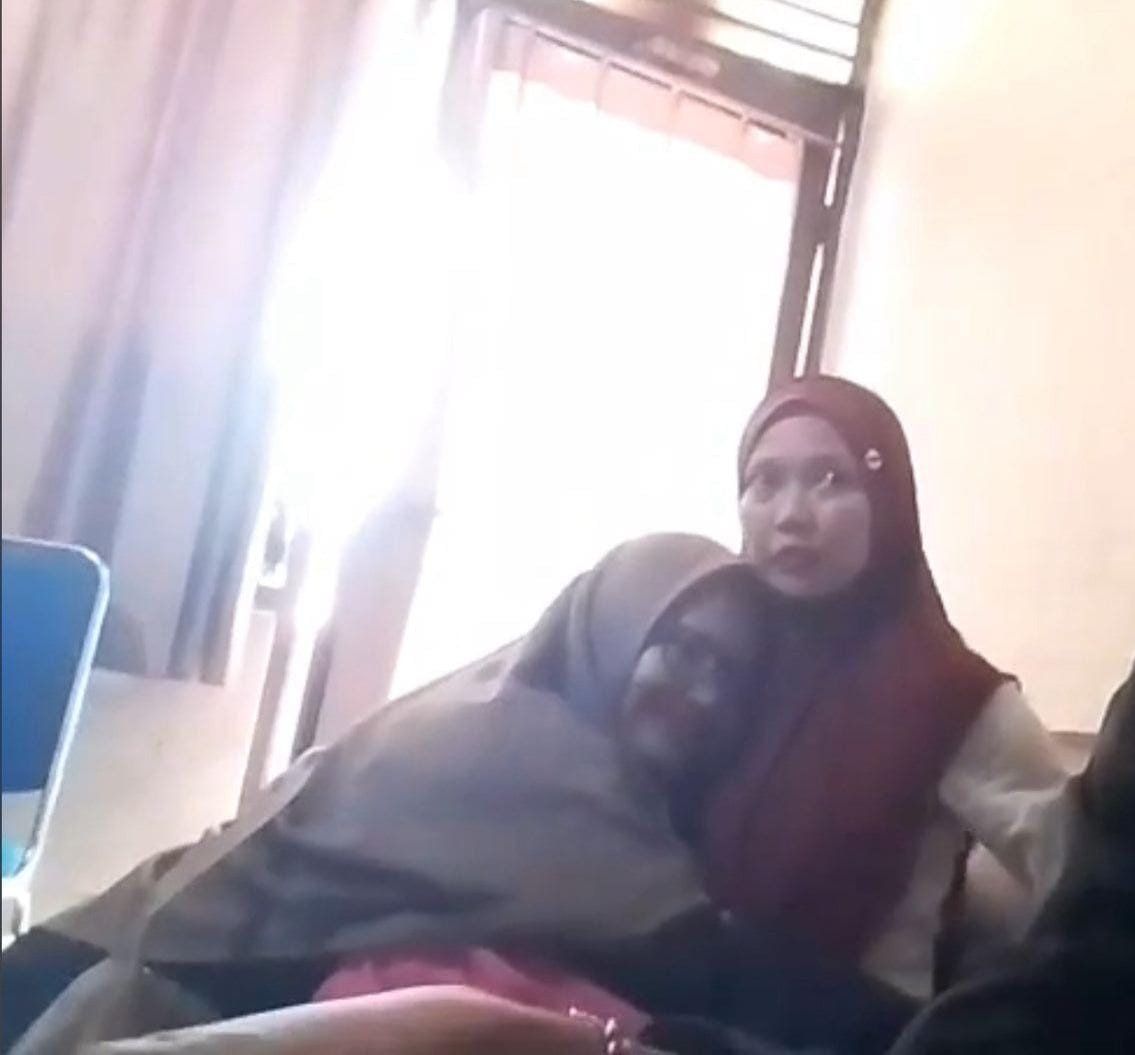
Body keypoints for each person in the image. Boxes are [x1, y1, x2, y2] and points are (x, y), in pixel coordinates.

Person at [3, 533, 912, 1055]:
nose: (702, 694)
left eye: (729, 676)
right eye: (680, 650)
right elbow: (694, 951)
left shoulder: (559, 732)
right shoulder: (524, 748)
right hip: (128, 996)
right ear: (612, 630)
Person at [703, 376, 1071, 999]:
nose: (791, 515)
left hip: (847, 1023)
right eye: (764, 482)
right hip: (683, 1000)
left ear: (888, 501)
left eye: (830, 480)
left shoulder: (949, 695)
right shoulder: (715, 664)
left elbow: (1090, 874)